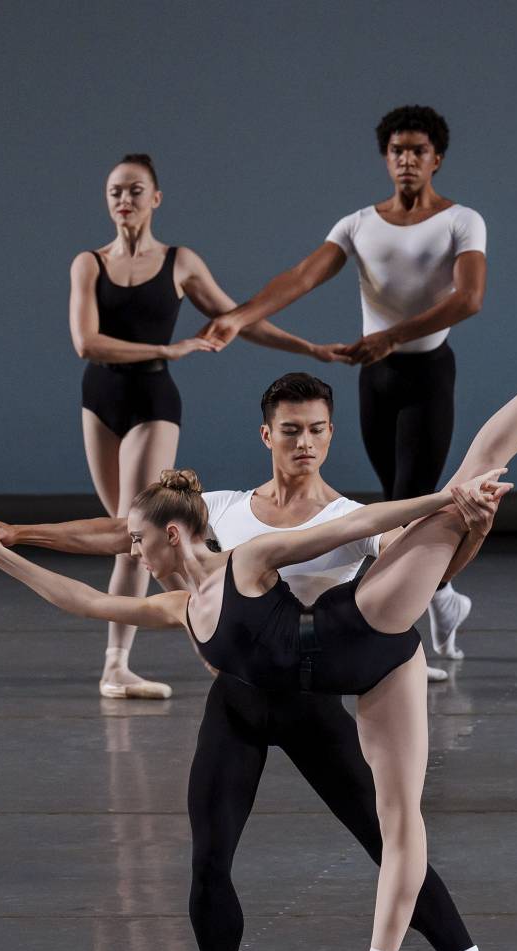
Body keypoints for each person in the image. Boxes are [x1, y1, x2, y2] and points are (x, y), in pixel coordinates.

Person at [0, 282, 517, 951]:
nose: (305, 443)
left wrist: (460, 515)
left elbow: (405, 556)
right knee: (209, 858)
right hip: (245, 702)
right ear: (267, 435)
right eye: (291, 432)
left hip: (326, 681)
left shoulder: (314, 526)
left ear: (328, 433)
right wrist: (14, 540)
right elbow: (108, 552)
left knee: (394, 841)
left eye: (317, 430)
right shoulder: (216, 518)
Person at [197, 105, 484, 662]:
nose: (406, 160)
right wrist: (239, 316)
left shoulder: (461, 221)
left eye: (418, 151)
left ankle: (404, 637)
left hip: (426, 372)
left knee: (407, 500)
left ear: (436, 159)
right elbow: (302, 276)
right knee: (390, 503)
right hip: (374, 377)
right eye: (397, 150)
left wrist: (392, 337)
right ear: (386, 157)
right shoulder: (358, 224)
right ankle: (443, 597)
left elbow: (468, 298)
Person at [71, 153, 344, 699]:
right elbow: (87, 342)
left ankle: (116, 665)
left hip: (153, 398)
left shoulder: (179, 262)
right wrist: (168, 346)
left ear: (156, 198)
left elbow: (239, 319)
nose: (124, 200)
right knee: (140, 539)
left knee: (132, 528)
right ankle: (218, 643)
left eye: (134, 190)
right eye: (114, 192)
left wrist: (309, 347)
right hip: (99, 397)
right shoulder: (89, 264)